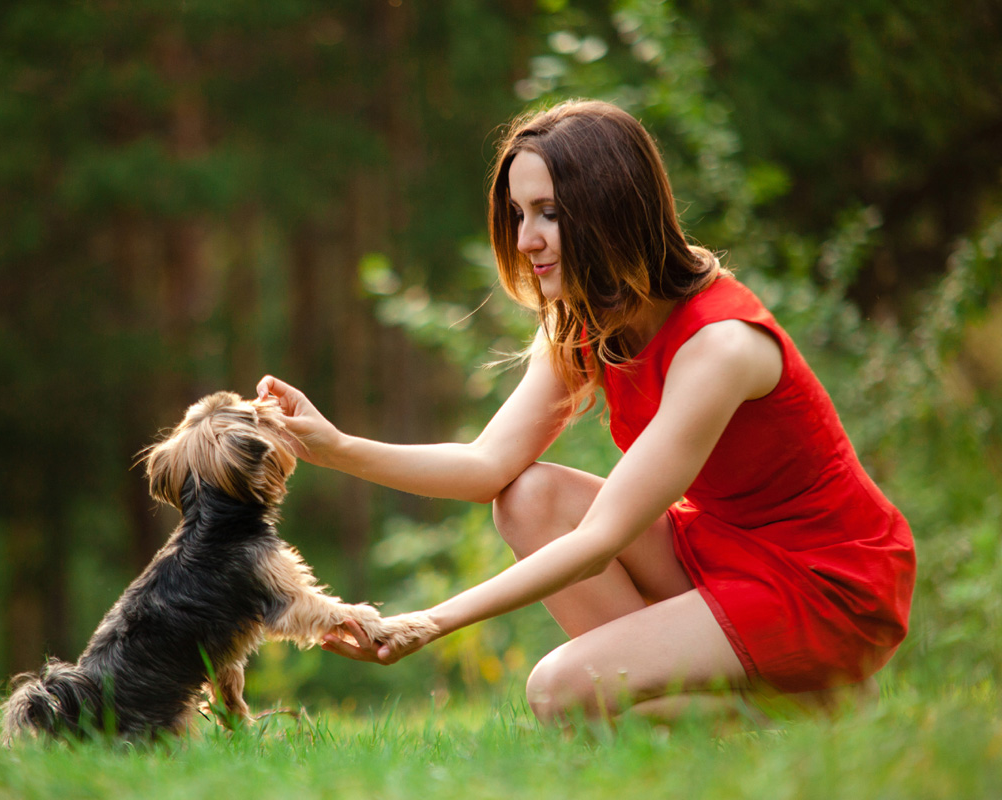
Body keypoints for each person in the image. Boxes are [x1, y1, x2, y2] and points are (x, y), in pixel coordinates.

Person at [256, 99, 915, 725]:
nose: (525, 240)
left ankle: (819, 708)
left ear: (612, 209)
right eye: (518, 214)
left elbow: (600, 538)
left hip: (825, 585)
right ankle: (725, 700)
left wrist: (430, 622)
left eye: (548, 213)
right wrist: (334, 446)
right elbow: (487, 466)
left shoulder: (720, 347)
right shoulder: (589, 322)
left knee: (560, 692)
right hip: (726, 553)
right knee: (527, 497)